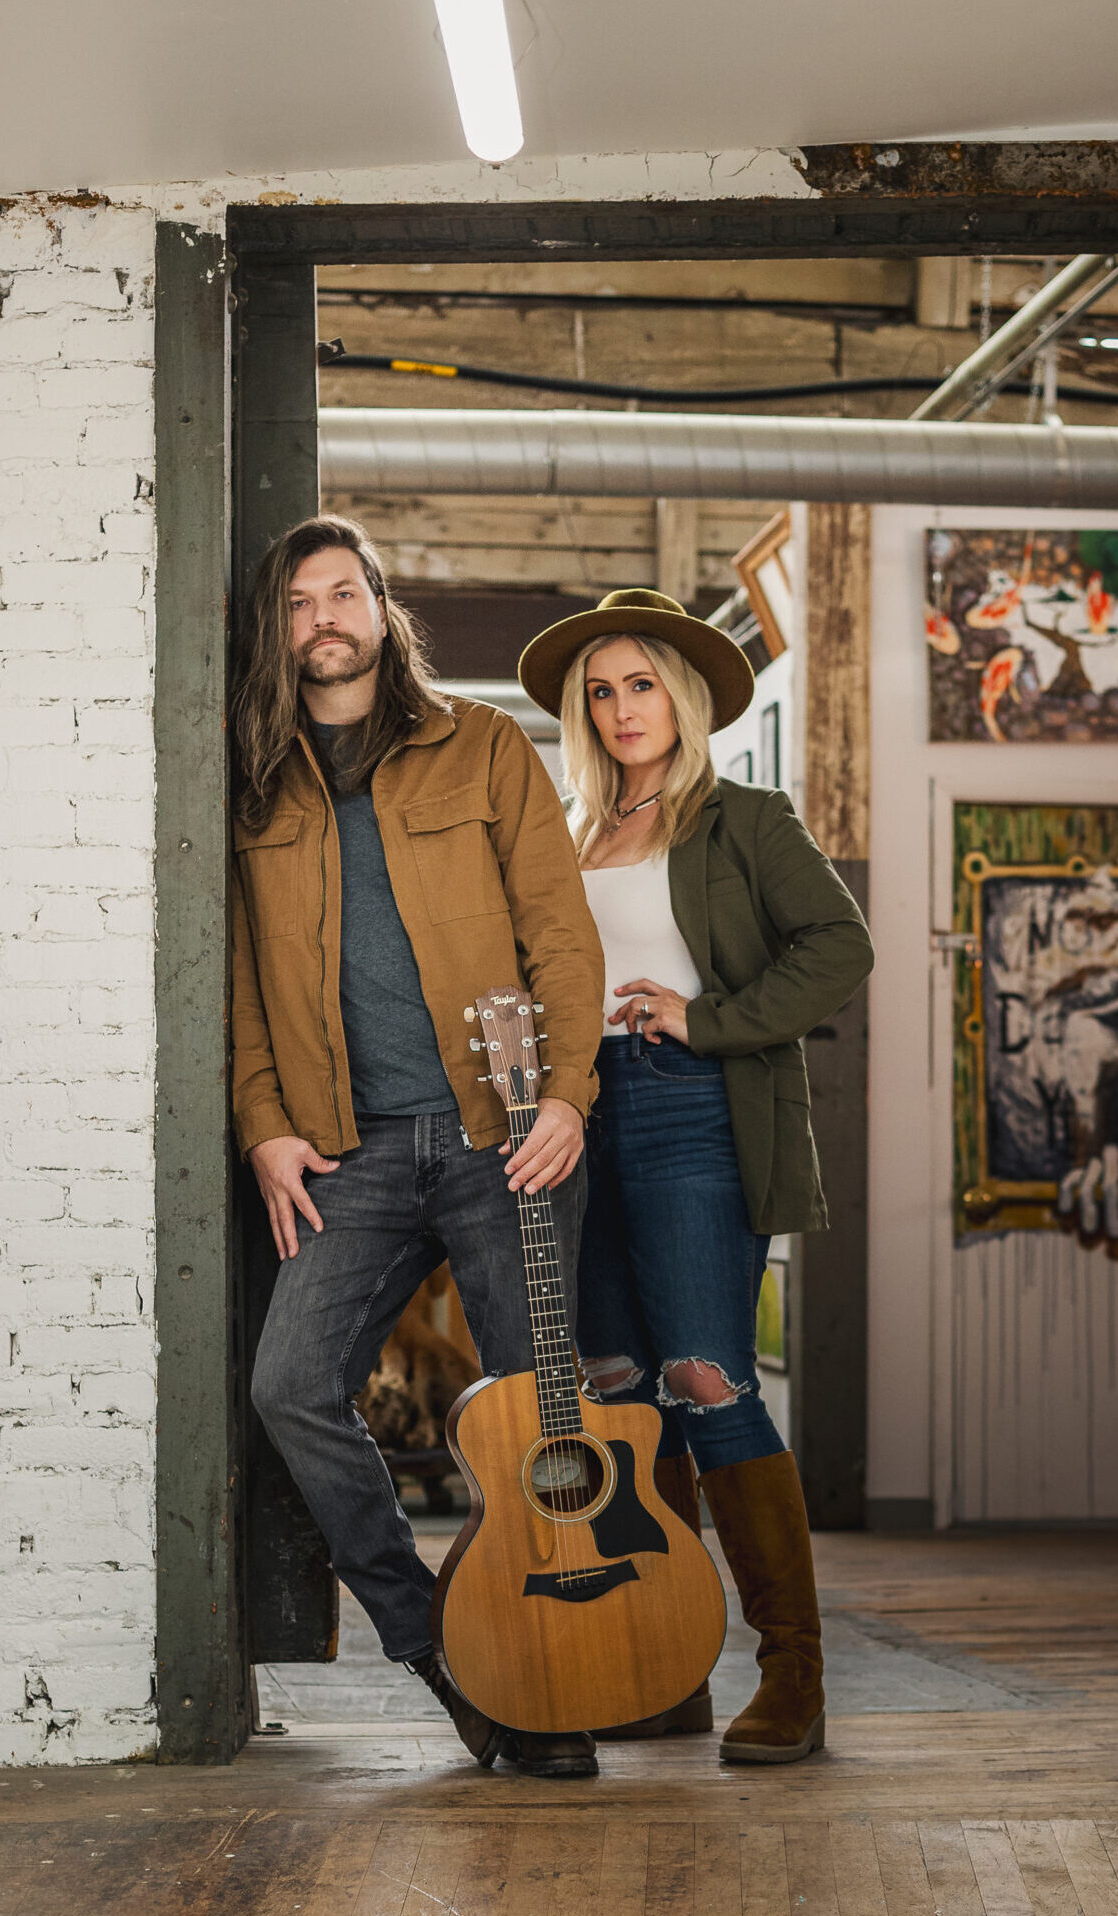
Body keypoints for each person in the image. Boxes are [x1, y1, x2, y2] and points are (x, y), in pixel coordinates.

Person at [230, 513, 606, 1778]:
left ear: (382, 610)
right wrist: (266, 1128)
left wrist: (565, 1097)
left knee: (530, 1415)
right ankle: (438, 1646)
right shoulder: (253, 777)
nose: (323, 618)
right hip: (353, 1148)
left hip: (506, 1132)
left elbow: (557, 929)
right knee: (287, 1384)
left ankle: (546, 1683)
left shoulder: (485, 745)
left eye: (343, 593)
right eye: (297, 603)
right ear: (277, 629)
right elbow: (234, 980)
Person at [518, 589, 874, 1765]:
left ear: (682, 694)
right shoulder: (566, 837)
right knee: (620, 1392)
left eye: (643, 682)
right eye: (603, 689)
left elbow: (840, 947)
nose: (625, 707)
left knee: (705, 1376)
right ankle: (665, 1665)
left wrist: (708, 1016)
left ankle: (793, 1672)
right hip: (582, 1115)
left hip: (690, 1106)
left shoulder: (745, 819)